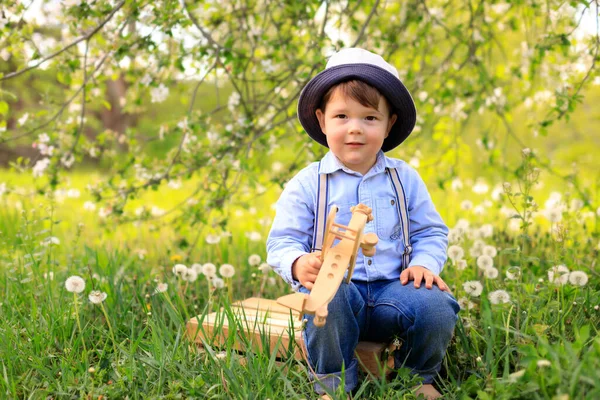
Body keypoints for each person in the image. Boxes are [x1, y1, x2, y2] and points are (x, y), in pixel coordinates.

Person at [266, 48, 459, 399]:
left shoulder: (405, 178)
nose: (355, 128)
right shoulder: (308, 183)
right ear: (323, 121)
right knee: (326, 296)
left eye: (370, 118)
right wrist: (297, 263)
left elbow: (430, 231)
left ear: (390, 124)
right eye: (342, 116)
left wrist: (423, 264)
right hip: (340, 294)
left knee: (436, 306)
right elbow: (282, 241)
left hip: (392, 292)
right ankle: (333, 385)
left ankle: (418, 377)